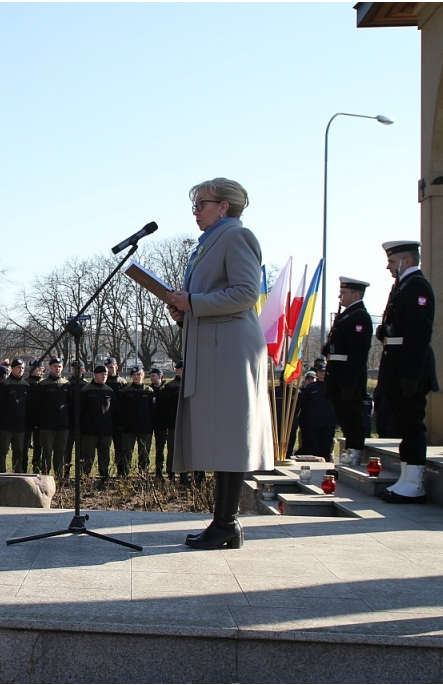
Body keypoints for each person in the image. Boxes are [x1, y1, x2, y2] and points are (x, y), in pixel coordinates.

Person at [166, 178, 274, 549]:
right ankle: (224, 522)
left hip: (230, 349)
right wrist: (186, 311)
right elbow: (213, 295)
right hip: (213, 346)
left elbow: (246, 293)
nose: (195, 212)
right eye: (194, 206)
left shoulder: (236, 237)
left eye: (201, 205)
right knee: (220, 436)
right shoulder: (209, 242)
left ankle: (226, 522)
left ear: (223, 206)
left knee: (229, 436)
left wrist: (194, 303)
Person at [376, 240, 437, 504]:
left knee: (412, 424)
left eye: (392, 261)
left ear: (406, 260)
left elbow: (419, 334)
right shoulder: (403, 287)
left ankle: (415, 483)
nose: (388, 267)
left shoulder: (417, 286)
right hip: (399, 366)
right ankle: (406, 478)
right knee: (403, 423)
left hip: (410, 368)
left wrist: (411, 374)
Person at [323, 277, 373, 465]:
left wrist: (349, 381)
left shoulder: (359, 316)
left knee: (353, 415)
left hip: (347, 376)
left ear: (356, 294)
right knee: (343, 415)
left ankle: (355, 450)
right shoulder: (346, 315)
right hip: (337, 374)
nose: (340, 296)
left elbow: (358, 354)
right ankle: (350, 449)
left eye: (344, 293)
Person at [33, 357, 72, 478]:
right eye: (55, 366)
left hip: (62, 425)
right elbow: (37, 405)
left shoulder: (66, 384)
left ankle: (59, 477)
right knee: (47, 452)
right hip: (47, 426)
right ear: (50, 367)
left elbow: (70, 404)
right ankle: (45, 476)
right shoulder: (42, 384)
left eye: (59, 366)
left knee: (60, 453)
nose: (57, 368)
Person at [78, 364, 116, 483]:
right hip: (89, 430)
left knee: (104, 455)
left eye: (105, 375)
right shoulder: (85, 390)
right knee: (88, 456)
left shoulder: (109, 391)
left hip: (105, 430)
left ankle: (104, 475)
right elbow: (79, 410)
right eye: (101, 374)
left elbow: (114, 410)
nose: (104, 376)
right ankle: (85, 476)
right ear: (95, 375)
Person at [0, 358, 29, 474]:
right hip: (6, 425)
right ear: (12, 369)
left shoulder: (26, 385)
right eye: (18, 368)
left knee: (19, 451)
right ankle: (0, 472)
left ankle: (18, 472)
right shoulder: (4, 384)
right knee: (2, 451)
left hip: (20, 425)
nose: (21, 370)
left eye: (23, 368)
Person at [118, 366, 154, 478]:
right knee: (127, 452)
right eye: (134, 375)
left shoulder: (149, 391)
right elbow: (121, 409)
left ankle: (143, 475)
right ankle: (125, 475)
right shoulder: (125, 392)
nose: (136, 377)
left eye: (139, 375)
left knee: (144, 453)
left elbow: (152, 410)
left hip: (145, 428)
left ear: (143, 375)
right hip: (129, 429)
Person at [296, 367, 337, 460]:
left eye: (324, 372)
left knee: (326, 449)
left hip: (328, 423)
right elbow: (304, 406)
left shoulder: (333, 387)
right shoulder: (311, 388)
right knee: (313, 448)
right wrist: (303, 423)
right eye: (320, 372)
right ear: (317, 373)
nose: (322, 374)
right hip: (313, 424)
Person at [24, 360, 44, 474]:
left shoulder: (43, 383)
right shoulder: (25, 383)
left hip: (40, 420)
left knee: (39, 447)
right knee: (24, 447)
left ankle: (37, 468)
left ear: (41, 369)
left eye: (35, 367)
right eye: (31, 367)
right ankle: (23, 468)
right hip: (27, 419)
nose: (32, 369)